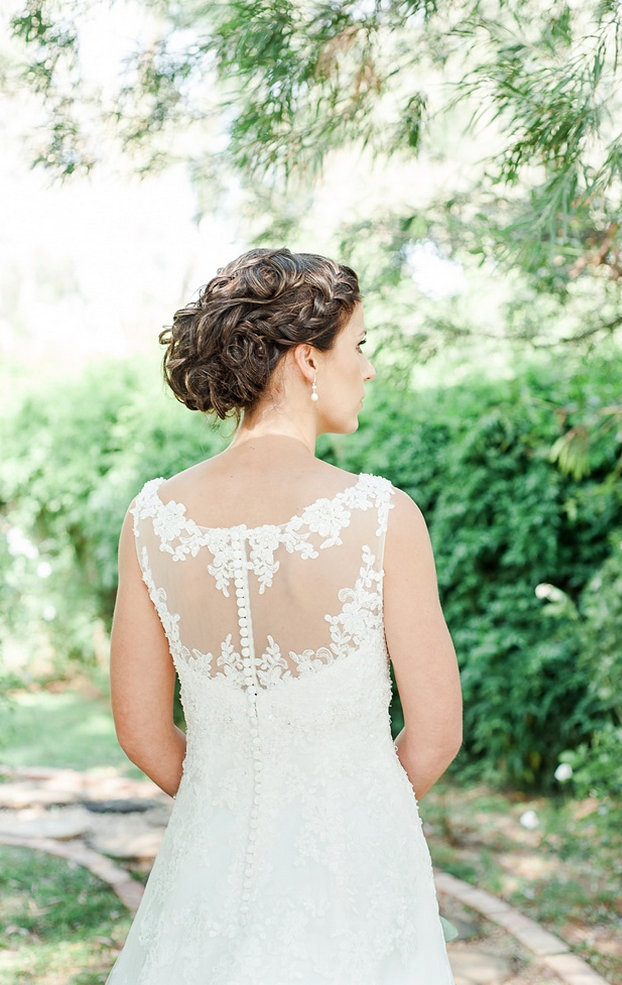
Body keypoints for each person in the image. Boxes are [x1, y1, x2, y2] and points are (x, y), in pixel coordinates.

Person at [108, 247, 462, 985]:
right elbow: (435, 733)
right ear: (306, 358)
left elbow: (141, 731)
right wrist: (346, 816)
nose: (366, 367)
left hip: (209, 860)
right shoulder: (382, 516)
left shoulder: (152, 519)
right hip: (356, 867)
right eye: (357, 345)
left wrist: (231, 806)